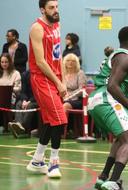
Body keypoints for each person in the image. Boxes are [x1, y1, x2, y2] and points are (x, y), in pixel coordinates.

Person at [88, 26, 128, 190]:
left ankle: (104, 177)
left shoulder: (124, 57)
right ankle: (114, 181)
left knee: (122, 139)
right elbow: (112, 86)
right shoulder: (125, 58)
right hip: (107, 99)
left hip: (97, 100)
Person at [26, 0, 67, 179]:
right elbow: (41, 61)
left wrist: (63, 80)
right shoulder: (37, 28)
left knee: (52, 120)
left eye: (57, 7)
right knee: (60, 119)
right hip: (42, 78)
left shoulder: (57, 24)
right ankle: (53, 164)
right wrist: (57, 82)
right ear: (43, 10)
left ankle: (36, 161)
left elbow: (59, 55)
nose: (55, 10)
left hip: (56, 77)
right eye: (51, 8)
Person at [8, 70, 38, 138]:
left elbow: (38, 91)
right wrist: (24, 100)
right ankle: (19, 125)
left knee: (30, 106)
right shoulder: (25, 74)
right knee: (19, 103)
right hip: (27, 98)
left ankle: (21, 127)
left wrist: (29, 101)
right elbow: (23, 91)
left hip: (37, 99)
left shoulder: (40, 74)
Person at [0, 53, 21, 133]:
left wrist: (12, 88)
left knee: (7, 97)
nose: (4, 64)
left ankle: (9, 124)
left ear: (10, 62)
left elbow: (18, 88)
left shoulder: (16, 73)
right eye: (2, 62)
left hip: (11, 97)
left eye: (6, 62)